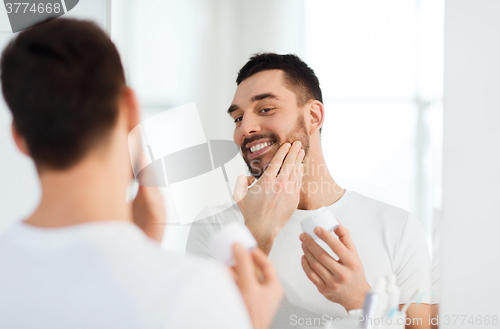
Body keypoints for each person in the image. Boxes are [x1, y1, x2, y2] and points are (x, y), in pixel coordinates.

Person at [0, 19, 294, 329]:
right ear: (130, 108)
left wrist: (137, 251)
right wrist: (251, 321)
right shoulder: (195, 292)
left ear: (19, 138)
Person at [186, 53, 433, 328]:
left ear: (313, 116)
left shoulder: (398, 227)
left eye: (265, 109)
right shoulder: (213, 228)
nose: (245, 128)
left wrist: (360, 299)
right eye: (238, 118)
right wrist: (258, 231)